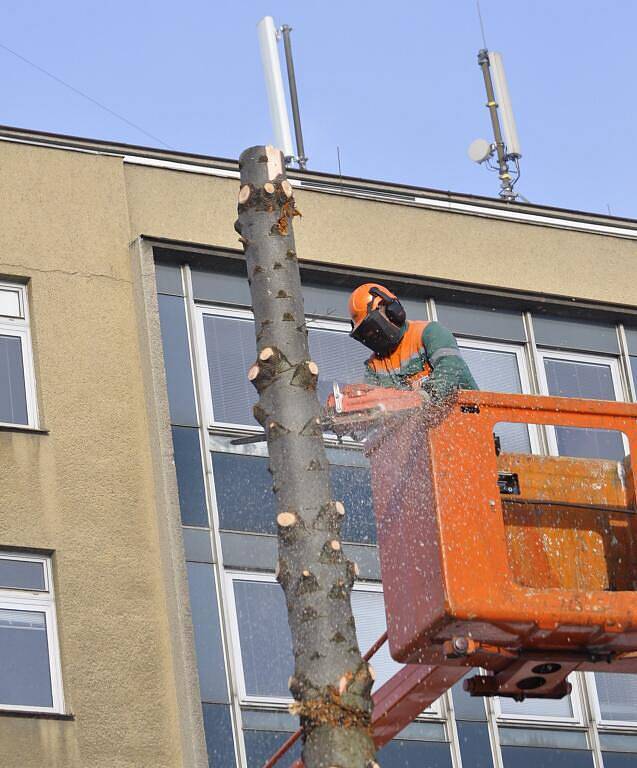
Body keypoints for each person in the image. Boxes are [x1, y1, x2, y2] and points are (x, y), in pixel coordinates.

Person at [348, 283, 478, 401]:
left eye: (373, 328)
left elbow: (450, 367)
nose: (372, 335)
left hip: (469, 418)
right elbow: (370, 402)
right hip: (427, 427)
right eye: (366, 333)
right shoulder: (374, 367)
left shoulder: (429, 333)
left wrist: (424, 396)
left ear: (392, 311)